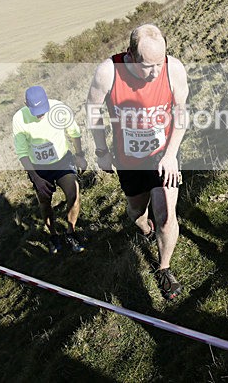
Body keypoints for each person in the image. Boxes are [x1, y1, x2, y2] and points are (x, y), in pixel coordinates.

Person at [86, 24, 189, 300]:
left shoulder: (173, 69)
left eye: (160, 62)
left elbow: (181, 113)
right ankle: (145, 228)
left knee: (166, 215)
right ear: (130, 55)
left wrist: (171, 155)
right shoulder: (108, 72)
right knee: (137, 214)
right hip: (128, 160)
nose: (155, 72)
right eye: (148, 66)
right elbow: (93, 111)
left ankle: (164, 269)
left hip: (162, 155)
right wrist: (101, 151)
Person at [12, 85, 87, 255]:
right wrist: (36, 178)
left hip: (62, 161)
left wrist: (80, 155)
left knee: (74, 194)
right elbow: (22, 153)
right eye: (36, 111)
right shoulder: (19, 119)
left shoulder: (59, 109)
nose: (40, 114)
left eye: (43, 109)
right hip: (39, 168)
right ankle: (53, 236)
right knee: (45, 202)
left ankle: (71, 232)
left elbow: (74, 132)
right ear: (26, 104)